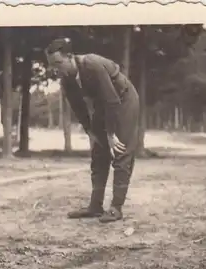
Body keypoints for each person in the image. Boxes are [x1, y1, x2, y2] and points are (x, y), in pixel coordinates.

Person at [44, 37, 140, 223]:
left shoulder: (92, 64)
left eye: (58, 63)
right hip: (104, 105)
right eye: (51, 66)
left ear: (70, 56)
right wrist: (91, 132)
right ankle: (95, 206)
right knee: (98, 152)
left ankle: (116, 208)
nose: (56, 69)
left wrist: (111, 134)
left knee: (121, 151)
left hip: (124, 100)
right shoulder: (66, 80)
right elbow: (78, 108)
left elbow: (112, 100)